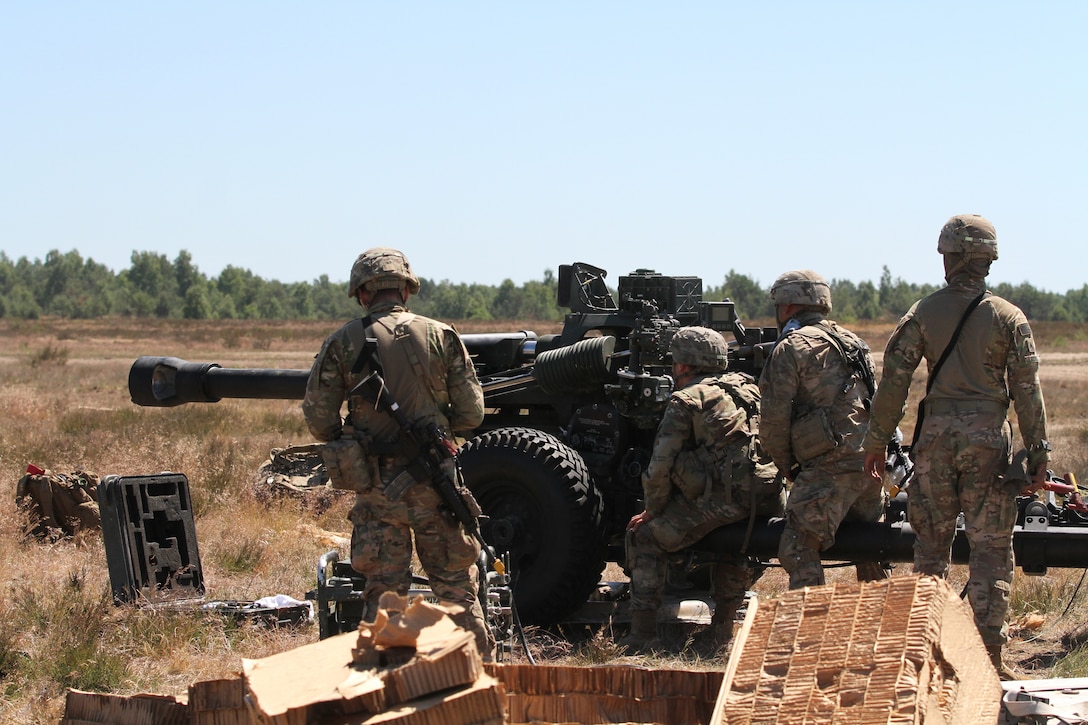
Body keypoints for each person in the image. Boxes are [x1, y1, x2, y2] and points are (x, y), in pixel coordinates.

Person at [862, 214, 1049, 673]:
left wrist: (875, 441)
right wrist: (1039, 454)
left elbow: (894, 383)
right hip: (989, 443)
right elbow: (1027, 390)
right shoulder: (1009, 317)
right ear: (987, 259)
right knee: (991, 549)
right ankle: (988, 656)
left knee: (930, 549)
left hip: (936, 443)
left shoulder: (923, 313)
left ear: (951, 257)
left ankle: (926, 655)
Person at [302, 247, 492, 657]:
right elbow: (472, 413)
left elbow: (319, 418)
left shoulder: (343, 342)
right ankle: (482, 680)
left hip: (376, 489)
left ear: (362, 293)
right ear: (406, 290)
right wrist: (437, 427)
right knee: (457, 589)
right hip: (436, 486)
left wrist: (351, 437)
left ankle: (382, 689)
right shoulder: (442, 336)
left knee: (384, 596)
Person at [622, 326, 785, 655]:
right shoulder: (748, 388)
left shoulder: (686, 400)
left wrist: (652, 510)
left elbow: (660, 466)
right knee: (735, 544)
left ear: (682, 366)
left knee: (646, 537)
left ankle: (643, 637)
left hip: (730, 498)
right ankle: (721, 631)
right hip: (769, 496)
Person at [758, 270, 888, 589]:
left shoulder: (790, 347)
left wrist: (788, 467)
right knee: (870, 545)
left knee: (798, 546)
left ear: (787, 307)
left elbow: (773, 421)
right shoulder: (854, 342)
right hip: (869, 467)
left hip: (829, 469)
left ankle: (810, 632)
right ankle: (885, 619)